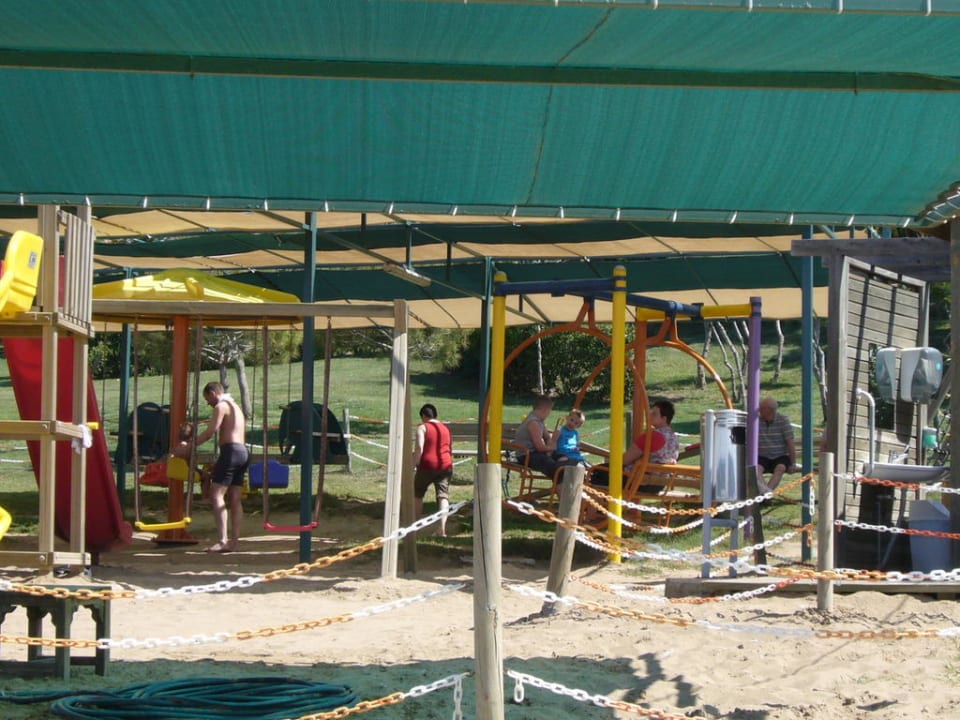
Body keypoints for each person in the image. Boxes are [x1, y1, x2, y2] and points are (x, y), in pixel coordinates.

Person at [193, 381, 248, 553]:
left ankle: (223, 540)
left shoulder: (221, 406)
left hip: (231, 451)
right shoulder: (236, 407)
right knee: (235, 498)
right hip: (242, 452)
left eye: (207, 399)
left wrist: (190, 446)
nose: (208, 403)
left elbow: (210, 432)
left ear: (213, 393)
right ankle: (235, 541)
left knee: (216, 495)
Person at [412, 403, 453, 537]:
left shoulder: (423, 428)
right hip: (446, 465)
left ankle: (415, 526)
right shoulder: (445, 429)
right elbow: (449, 448)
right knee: (443, 496)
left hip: (427, 465)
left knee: (418, 493)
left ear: (424, 416)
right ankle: (442, 528)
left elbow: (419, 447)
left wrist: (415, 463)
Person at [757, 396, 797, 494]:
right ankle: (765, 494)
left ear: (770, 410)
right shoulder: (756, 421)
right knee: (756, 469)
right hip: (762, 456)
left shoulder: (783, 420)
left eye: (762, 408)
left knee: (780, 468)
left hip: (780, 456)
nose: (759, 410)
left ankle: (766, 494)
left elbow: (790, 443)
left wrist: (793, 463)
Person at [513, 394, 560, 477]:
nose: (549, 414)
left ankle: (565, 476)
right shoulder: (533, 422)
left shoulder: (540, 421)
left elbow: (547, 437)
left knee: (561, 458)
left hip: (534, 453)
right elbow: (539, 447)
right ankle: (561, 481)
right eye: (550, 411)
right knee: (553, 467)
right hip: (526, 455)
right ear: (545, 410)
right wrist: (552, 447)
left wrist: (550, 443)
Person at [647, 399, 680, 465]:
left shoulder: (655, 435)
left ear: (664, 419)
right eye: (650, 413)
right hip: (668, 470)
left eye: (654, 414)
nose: (650, 415)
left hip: (652, 469)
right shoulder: (673, 436)